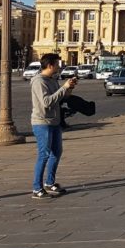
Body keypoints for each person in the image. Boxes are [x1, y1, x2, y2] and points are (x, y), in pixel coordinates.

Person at [30, 54, 75, 199]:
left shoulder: (52, 80)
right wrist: (63, 88)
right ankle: (37, 188)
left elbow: (60, 98)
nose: (59, 66)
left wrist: (69, 89)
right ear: (50, 65)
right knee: (44, 155)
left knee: (57, 152)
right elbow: (46, 102)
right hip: (42, 122)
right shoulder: (39, 81)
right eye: (57, 64)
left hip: (54, 121)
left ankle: (49, 182)